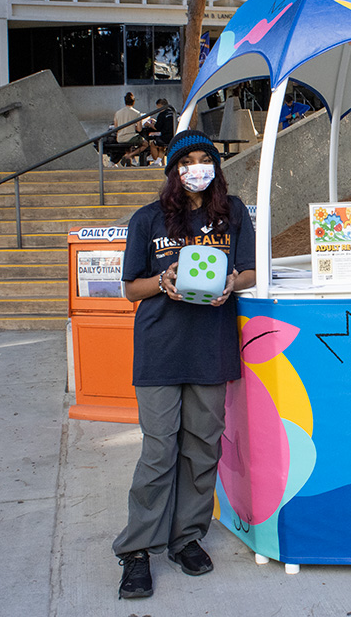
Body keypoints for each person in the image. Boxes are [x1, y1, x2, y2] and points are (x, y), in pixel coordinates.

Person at [113, 130, 256, 599]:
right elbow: (131, 287)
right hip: (160, 349)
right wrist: (163, 280)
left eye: (204, 158)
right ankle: (137, 550)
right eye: (186, 160)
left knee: (202, 449)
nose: (196, 166)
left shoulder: (233, 214)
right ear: (172, 170)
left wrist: (233, 282)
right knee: (159, 451)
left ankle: (186, 537)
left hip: (211, 347)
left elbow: (252, 269)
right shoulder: (147, 220)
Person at [126, 98, 175, 166]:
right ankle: (161, 162)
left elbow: (157, 128)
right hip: (173, 136)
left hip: (165, 137)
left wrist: (150, 124)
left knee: (153, 144)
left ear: (160, 106)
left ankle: (156, 162)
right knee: (162, 146)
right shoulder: (173, 113)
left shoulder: (162, 114)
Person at [113, 92, 143, 165]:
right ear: (134, 102)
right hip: (130, 137)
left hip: (120, 138)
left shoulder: (118, 113)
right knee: (145, 143)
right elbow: (139, 129)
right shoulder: (137, 113)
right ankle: (129, 156)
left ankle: (130, 160)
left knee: (128, 145)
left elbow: (116, 127)